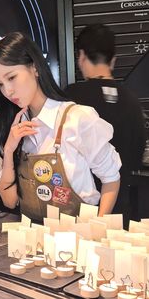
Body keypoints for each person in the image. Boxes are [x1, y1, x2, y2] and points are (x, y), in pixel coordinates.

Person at [0, 31, 121, 222]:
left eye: (12, 77)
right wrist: (8, 151)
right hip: (34, 243)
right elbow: (9, 201)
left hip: (79, 239)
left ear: (35, 68)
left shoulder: (77, 118)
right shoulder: (13, 130)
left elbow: (111, 178)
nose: (7, 91)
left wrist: (97, 229)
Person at [64, 23, 146, 228]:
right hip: (122, 213)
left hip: (80, 214)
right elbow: (137, 157)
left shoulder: (70, 98)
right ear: (113, 60)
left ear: (81, 56)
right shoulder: (132, 101)